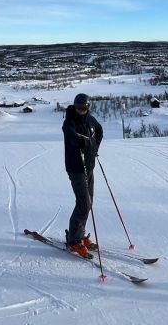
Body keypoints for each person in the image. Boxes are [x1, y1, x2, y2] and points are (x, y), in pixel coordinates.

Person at [62, 92, 103, 258]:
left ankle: (79, 234)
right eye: (78, 108)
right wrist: (79, 142)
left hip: (89, 166)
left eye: (84, 108)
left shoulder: (91, 121)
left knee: (88, 202)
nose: (80, 110)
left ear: (88, 107)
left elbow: (99, 132)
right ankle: (74, 240)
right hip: (76, 168)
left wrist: (94, 150)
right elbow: (71, 135)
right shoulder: (69, 122)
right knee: (83, 203)